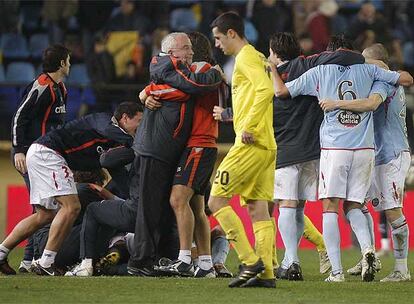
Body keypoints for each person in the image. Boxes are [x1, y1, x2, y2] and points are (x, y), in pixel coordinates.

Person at [273, 37, 413, 282]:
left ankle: (340, 272)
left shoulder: (324, 71)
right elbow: (406, 79)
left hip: (344, 149)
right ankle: (368, 252)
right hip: (367, 150)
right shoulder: (370, 73)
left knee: (331, 206)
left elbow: (282, 91)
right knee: (355, 204)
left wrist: (271, 69)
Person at [0, 102, 141, 276]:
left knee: (44, 215)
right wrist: (139, 145)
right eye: (139, 122)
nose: (140, 128)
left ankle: (1, 253)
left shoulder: (112, 144)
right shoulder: (102, 120)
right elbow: (109, 131)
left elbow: (115, 168)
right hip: (49, 153)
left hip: (42, 154)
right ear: (125, 118)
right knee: (72, 207)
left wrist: (135, 199)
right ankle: (46, 262)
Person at [127, 32, 223, 276]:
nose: (189, 53)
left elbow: (185, 89)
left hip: (198, 144)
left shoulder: (201, 70)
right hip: (196, 144)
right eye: (185, 48)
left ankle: (183, 259)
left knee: (178, 201)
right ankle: (205, 264)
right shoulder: (195, 71)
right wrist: (148, 93)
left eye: (191, 48)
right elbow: (179, 87)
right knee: (195, 206)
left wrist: (150, 92)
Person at [208, 12, 276, 288]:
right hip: (266, 144)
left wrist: (247, 124)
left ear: (232, 33)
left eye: (218, 38)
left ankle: (249, 261)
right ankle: (267, 274)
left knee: (216, 201)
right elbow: (254, 94)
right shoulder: (257, 57)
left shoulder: (246, 57)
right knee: (258, 209)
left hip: (249, 141)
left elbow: (265, 91)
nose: (217, 44)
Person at [347, 44, 411, 282]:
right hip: (379, 153)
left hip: (392, 153)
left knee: (393, 211)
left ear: (378, 63)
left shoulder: (384, 81)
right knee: (357, 201)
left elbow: (372, 104)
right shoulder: (383, 79)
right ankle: (368, 256)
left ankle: (401, 269)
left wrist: (338, 103)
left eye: (365, 61)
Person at [10, 44, 71, 273]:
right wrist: (18, 149)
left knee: (42, 209)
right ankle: (32, 260)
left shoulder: (61, 88)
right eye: (69, 60)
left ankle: (28, 261)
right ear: (62, 63)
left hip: (46, 155)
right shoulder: (42, 86)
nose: (70, 64)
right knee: (42, 210)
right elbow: (19, 117)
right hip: (31, 155)